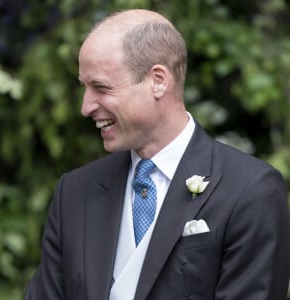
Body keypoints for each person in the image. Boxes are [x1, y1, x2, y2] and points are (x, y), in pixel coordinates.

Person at [25, 9, 290, 300]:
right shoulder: (75, 192)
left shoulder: (251, 191)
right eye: (84, 88)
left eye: (101, 87)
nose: (86, 107)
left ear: (158, 80)